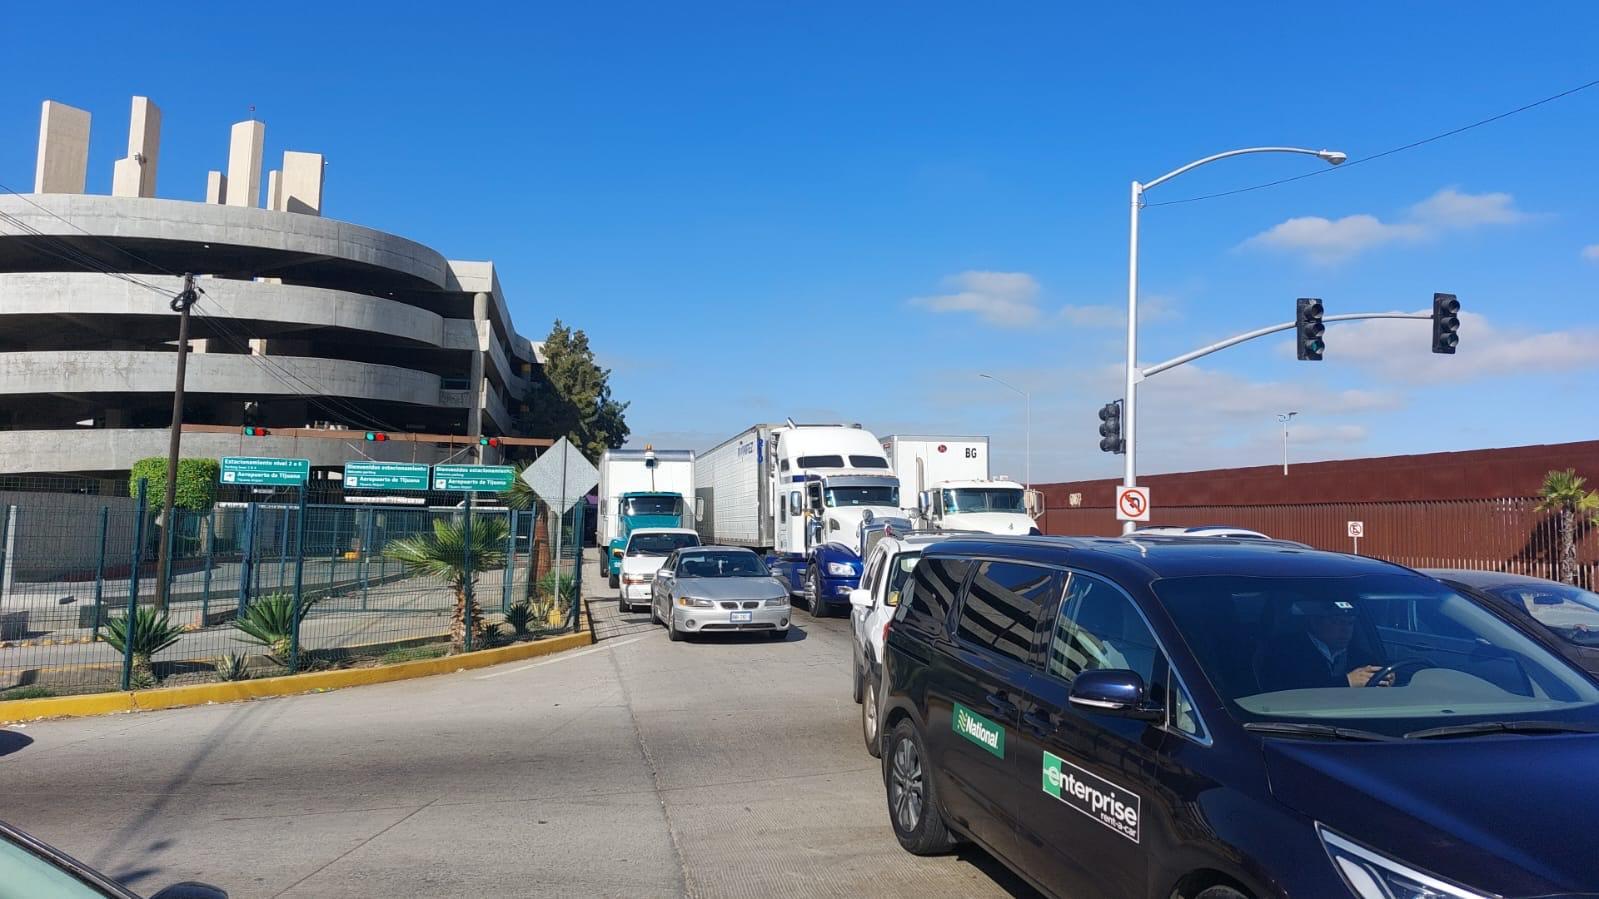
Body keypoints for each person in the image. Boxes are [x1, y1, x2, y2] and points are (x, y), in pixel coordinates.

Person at [1256, 600, 1390, 690]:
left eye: (1350, 623)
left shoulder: (1361, 657)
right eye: (1337, 622)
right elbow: (1286, 693)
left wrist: (1386, 679)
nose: (1346, 629)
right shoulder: (1283, 652)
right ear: (1315, 622)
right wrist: (1346, 682)